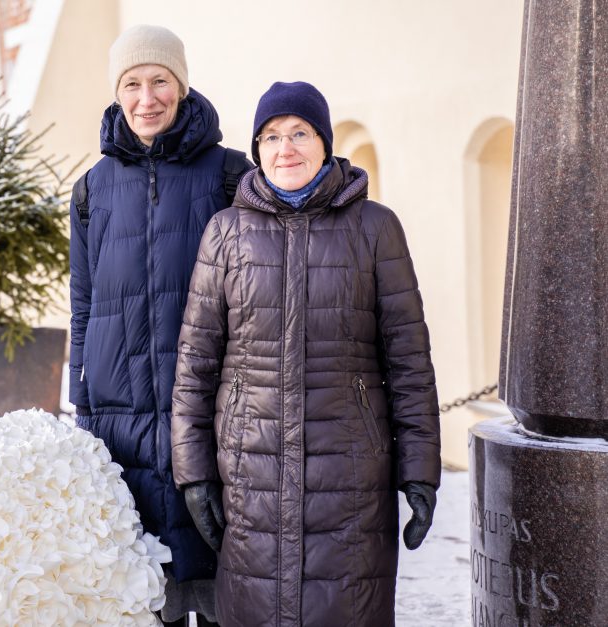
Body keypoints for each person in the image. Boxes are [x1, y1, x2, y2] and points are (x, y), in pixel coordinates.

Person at [171, 81, 441, 626]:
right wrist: (194, 473)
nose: (284, 148)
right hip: (251, 475)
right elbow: (195, 366)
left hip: (350, 482)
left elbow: (409, 361)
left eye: (299, 133)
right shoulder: (226, 234)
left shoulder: (375, 228)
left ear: (324, 143)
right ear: (257, 150)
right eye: (270, 137)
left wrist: (420, 471)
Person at [68, 24, 251, 627]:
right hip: (118, 419)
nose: (147, 98)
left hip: (210, 416)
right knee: (150, 593)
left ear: (181, 84)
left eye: (159, 81)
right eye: (132, 84)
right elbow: (83, 300)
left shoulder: (228, 174)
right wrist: (80, 395)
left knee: (226, 587)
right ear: (117, 94)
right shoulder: (92, 189)